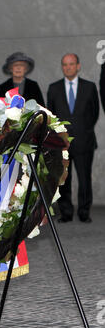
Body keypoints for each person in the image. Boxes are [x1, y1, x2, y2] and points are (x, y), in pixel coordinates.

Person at [47, 53, 99, 223]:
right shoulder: (54, 88)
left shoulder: (89, 87)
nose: (68, 67)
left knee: (84, 179)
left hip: (85, 141)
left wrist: (82, 130)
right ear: (62, 67)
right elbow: (51, 116)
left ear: (78, 66)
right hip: (61, 144)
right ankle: (66, 212)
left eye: (71, 64)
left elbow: (94, 113)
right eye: (65, 64)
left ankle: (84, 212)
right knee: (64, 180)